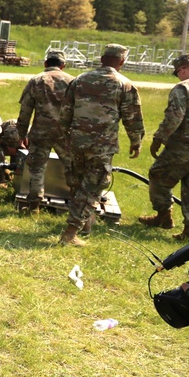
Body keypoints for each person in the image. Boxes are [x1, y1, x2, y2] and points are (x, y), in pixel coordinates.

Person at [58, 43, 144, 246]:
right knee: (93, 188)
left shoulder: (80, 80)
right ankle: (70, 233)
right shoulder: (124, 84)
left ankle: (85, 224)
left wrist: (66, 136)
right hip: (101, 147)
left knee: (78, 184)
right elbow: (132, 118)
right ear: (121, 61)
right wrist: (136, 141)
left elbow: (65, 113)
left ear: (102, 59)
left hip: (77, 143)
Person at [139, 52, 189, 241]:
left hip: (184, 146)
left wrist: (159, 138)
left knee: (158, 175)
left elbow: (174, 117)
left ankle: (163, 216)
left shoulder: (184, 88)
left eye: (177, 73)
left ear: (182, 69)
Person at [16, 49, 72, 215]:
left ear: (46, 63)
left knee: (37, 169)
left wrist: (21, 134)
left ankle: (34, 207)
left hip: (41, 133)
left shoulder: (36, 80)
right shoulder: (73, 82)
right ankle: (77, 205)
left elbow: (25, 111)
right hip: (65, 134)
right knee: (72, 168)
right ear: (63, 65)